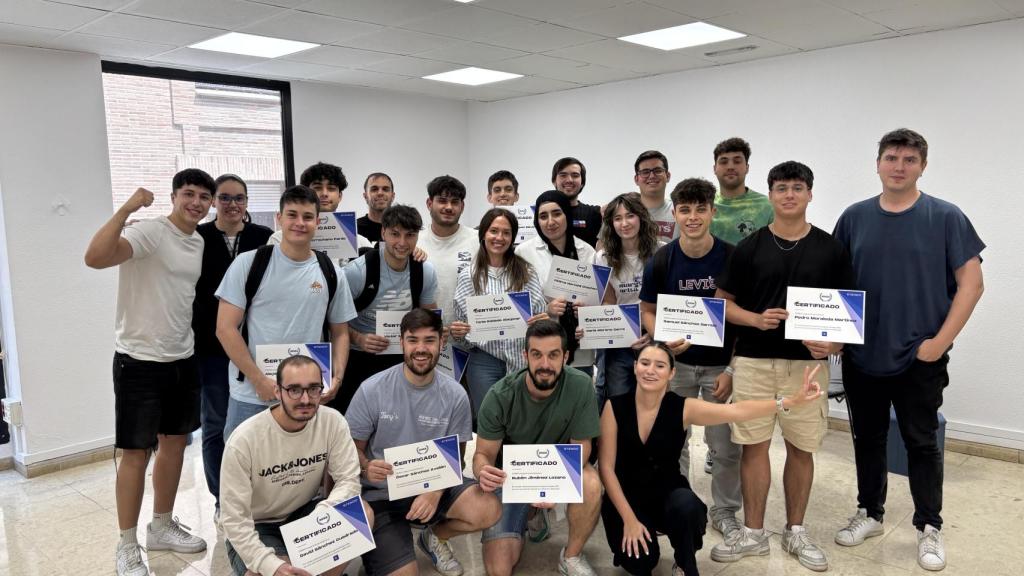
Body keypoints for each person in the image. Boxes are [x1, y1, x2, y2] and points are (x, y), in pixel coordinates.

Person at [832, 129, 985, 572]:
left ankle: (928, 527)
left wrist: (939, 343)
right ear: (877, 163)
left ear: (922, 166)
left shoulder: (946, 216)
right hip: (863, 356)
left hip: (920, 357)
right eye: (892, 157)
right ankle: (870, 513)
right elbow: (836, 284)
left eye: (909, 159)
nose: (899, 166)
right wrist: (834, 336)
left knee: (921, 443)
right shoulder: (854, 217)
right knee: (869, 439)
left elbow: (972, 285)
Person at [712, 161, 852, 572]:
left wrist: (834, 343)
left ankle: (795, 530)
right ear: (770, 195)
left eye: (797, 187)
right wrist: (755, 319)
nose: (789, 194)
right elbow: (723, 304)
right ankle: (754, 534)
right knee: (753, 447)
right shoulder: (750, 247)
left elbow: (849, 313)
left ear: (810, 194)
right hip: (754, 361)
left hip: (806, 366)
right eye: (781, 188)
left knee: (801, 448)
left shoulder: (831, 249)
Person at [84, 168, 216, 576]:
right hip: (139, 360)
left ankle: (161, 525)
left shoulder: (197, 241)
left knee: (175, 444)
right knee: (135, 453)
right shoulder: (151, 232)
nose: (196, 203)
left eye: (203, 197)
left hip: (182, 356)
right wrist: (126, 208)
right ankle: (126, 544)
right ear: (175, 196)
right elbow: (96, 258)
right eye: (188, 194)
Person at [600, 343, 825, 576]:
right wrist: (629, 519)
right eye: (645, 363)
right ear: (635, 367)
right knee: (641, 563)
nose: (650, 370)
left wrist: (787, 402)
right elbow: (606, 468)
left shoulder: (683, 407)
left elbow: (737, 411)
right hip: (627, 497)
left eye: (660, 365)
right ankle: (639, 535)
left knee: (688, 507)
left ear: (671, 373)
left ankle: (685, 562)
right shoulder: (614, 407)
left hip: (667, 494)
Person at [346, 309, 502, 576]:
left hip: (433, 486)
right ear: (402, 342)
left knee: (487, 508)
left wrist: (436, 491)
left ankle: (434, 537)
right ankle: (383, 549)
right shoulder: (372, 389)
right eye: (413, 340)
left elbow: (457, 458)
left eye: (429, 340)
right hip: (382, 495)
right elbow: (350, 450)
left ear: (442, 343)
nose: (421, 348)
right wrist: (366, 466)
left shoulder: (455, 395)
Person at [638, 178, 742, 539]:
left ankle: (726, 512)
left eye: (701, 209)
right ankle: (674, 501)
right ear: (676, 213)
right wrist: (663, 337)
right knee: (672, 443)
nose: (693, 217)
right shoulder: (663, 259)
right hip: (676, 367)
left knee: (725, 446)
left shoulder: (732, 257)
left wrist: (731, 367)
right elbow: (647, 310)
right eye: (685, 210)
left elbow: (743, 319)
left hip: (719, 367)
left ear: (713, 211)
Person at [215, 185, 357, 441]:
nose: (300, 223)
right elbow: (225, 329)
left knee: (301, 472)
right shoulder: (248, 264)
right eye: (292, 215)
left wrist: (337, 376)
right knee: (244, 472)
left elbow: (340, 332)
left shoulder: (331, 272)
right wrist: (258, 379)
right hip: (253, 395)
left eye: (307, 216)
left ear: (318, 221)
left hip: (306, 395)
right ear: (278, 219)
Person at [473, 320, 603, 576]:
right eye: (537, 355)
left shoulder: (580, 386)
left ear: (566, 356)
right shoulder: (500, 395)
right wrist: (483, 472)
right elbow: (482, 455)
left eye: (553, 355)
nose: (545, 364)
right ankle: (531, 513)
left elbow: (583, 447)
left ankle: (571, 555)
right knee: (498, 569)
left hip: (556, 469)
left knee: (591, 482)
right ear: (525, 356)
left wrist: (558, 484)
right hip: (511, 479)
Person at [219, 354, 367, 576]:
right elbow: (234, 520)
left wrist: (324, 513)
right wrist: (271, 565)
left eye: (314, 389)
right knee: (277, 571)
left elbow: (348, 479)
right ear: (278, 391)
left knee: (362, 511)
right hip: (258, 526)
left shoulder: (333, 421)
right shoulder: (244, 441)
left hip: (305, 515)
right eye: (294, 390)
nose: (305, 399)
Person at [193, 174, 273, 507]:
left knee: (258, 426)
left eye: (239, 198)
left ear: (247, 203)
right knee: (216, 424)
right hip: (212, 348)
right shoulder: (197, 238)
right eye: (225, 198)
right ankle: (221, 500)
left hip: (256, 348)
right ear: (214, 201)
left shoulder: (264, 237)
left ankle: (261, 497)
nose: (233, 204)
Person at [338, 204, 438, 414]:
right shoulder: (357, 272)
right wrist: (359, 339)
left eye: (410, 235)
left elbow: (429, 318)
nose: (402, 243)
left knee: (400, 415)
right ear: (383, 232)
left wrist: (439, 332)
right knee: (358, 418)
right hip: (359, 356)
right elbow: (333, 322)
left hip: (401, 355)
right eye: (395, 234)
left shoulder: (425, 271)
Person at [451, 208, 548, 415]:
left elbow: (539, 313)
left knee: (522, 418)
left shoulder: (526, 272)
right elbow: (463, 327)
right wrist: (460, 333)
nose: (499, 238)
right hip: (484, 360)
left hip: (521, 359)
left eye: (506, 232)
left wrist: (541, 320)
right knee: (489, 419)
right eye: (494, 231)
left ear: (513, 237)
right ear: (483, 234)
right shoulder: (469, 275)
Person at [515, 191, 597, 375]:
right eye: (543, 216)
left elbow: (599, 299)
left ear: (567, 214)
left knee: (578, 398)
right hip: (542, 347)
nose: (550, 222)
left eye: (557, 213)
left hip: (580, 348)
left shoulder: (586, 252)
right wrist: (546, 309)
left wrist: (586, 310)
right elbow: (517, 304)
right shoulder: (524, 253)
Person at [593, 193, 660, 401]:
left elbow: (665, 300)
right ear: (611, 224)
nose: (624, 223)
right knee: (619, 399)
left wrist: (652, 332)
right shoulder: (602, 257)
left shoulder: (662, 251)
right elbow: (608, 301)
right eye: (617, 218)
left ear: (641, 217)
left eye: (630, 216)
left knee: (652, 400)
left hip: (654, 336)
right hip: (621, 341)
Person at [268, 162, 373, 259]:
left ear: (340, 196)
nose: (324, 193)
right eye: (317, 188)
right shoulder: (279, 240)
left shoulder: (361, 243)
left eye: (331, 188)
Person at [417, 175, 479, 327]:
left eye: (455, 202)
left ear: (462, 206)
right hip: (426, 332)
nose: (449, 207)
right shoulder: (414, 241)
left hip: (471, 334)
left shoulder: (479, 240)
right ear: (429, 203)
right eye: (442, 200)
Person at [709, 138, 773, 245]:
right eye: (724, 162)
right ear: (715, 168)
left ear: (747, 167)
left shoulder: (767, 206)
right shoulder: (704, 206)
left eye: (737, 161)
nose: (730, 167)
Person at [551, 157, 602, 247]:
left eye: (575, 175)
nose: (569, 180)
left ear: (582, 182)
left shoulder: (595, 213)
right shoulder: (543, 214)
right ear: (554, 181)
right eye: (563, 175)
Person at [633, 150, 678, 240]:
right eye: (645, 172)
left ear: (668, 176)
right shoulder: (622, 211)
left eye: (658, 170)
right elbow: (604, 247)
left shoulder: (680, 211)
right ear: (636, 179)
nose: (652, 176)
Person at [358, 172, 396, 243]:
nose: (380, 193)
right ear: (365, 196)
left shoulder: (403, 228)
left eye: (385, 189)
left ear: (393, 196)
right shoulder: (353, 229)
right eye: (374, 189)